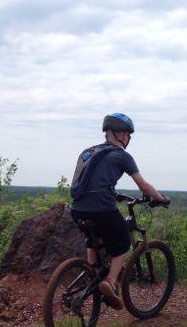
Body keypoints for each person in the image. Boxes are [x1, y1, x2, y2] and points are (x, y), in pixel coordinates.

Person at [70, 113, 168, 310]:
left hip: (77, 209)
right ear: (119, 134)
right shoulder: (122, 155)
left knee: (94, 240)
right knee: (122, 243)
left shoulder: (88, 152)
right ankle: (111, 282)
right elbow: (144, 186)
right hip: (102, 209)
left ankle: (93, 275)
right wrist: (161, 198)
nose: (129, 138)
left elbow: (90, 183)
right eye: (128, 134)